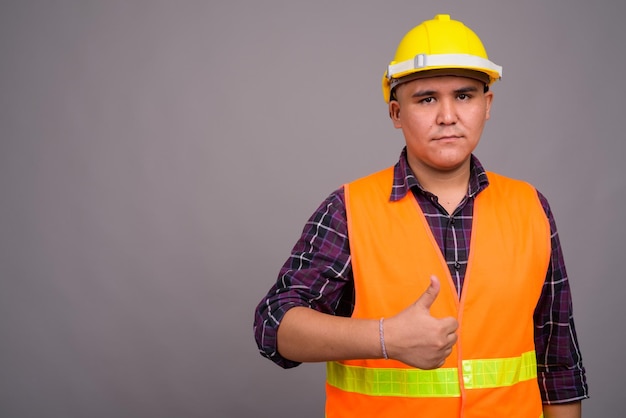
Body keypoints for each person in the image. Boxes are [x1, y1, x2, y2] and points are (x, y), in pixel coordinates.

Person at [254, 14, 588, 417]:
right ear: (396, 113)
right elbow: (274, 326)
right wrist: (384, 338)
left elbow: (558, 362)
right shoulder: (349, 208)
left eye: (464, 96)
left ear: (487, 105)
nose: (447, 115)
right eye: (426, 98)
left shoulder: (531, 206)